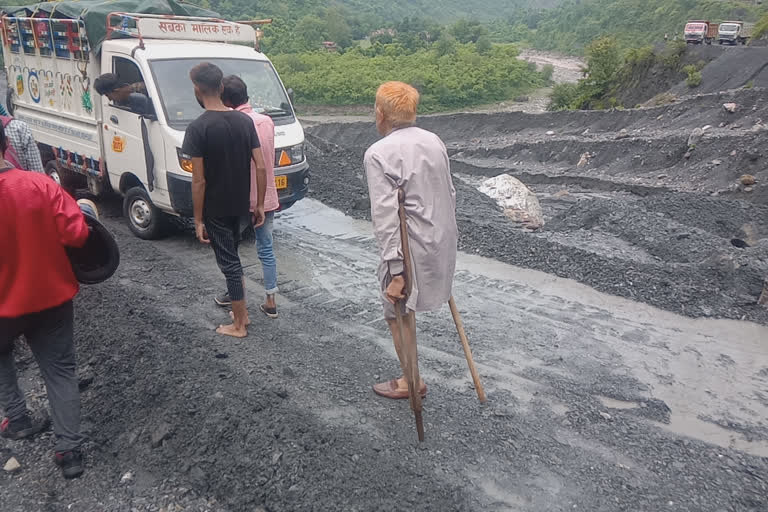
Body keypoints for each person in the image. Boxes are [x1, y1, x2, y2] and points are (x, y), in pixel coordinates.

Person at [0, 122, 91, 479]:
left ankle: (17, 419)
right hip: (51, 297)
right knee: (60, 371)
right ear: (6, 143)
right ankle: (69, 452)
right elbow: (77, 234)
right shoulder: (39, 184)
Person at [364, 81, 458, 400]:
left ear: (380, 113)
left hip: (410, 247)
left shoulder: (379, 153)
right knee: (405, 310)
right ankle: (411, 376)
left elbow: (386, 216)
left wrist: (395, 270)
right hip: (441, 239)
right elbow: (450, 192)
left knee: (397, 312)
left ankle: (411, 381)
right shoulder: (434, 141)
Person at [182, 62, 267, 338]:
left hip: (216, 207)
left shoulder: (197, 128)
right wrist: (260, 203)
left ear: (196, 88)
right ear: (220, 87)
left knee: (229, 263)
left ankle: (240, 324)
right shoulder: (244, 121)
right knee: (234, 259)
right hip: (241, 204)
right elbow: (261, 165)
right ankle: (242, 313)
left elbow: (199, 180)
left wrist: (197, 218)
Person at [219, 75, 280, 318]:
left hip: (240, 198)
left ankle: (235, 297)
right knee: (266, 248)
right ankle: (271, 301)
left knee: (231, 250)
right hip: (267, 196)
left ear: (225, 99)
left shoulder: (231, 123)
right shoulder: (266, 121)